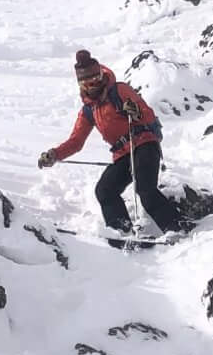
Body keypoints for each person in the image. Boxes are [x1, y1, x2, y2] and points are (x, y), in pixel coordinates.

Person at [38, 49, 183, 237]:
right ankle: (121, 231)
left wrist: (135, 112)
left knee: (145, 189)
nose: (92, 85)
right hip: (122, 154)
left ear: (101, 74)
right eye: (86, 82)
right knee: (105, 190)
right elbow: (76, 141)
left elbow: (146, 114)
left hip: (144, 143)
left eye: (95, 78)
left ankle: (176, 228)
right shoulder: (89, 110)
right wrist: (54, 154)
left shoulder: (119, 90)